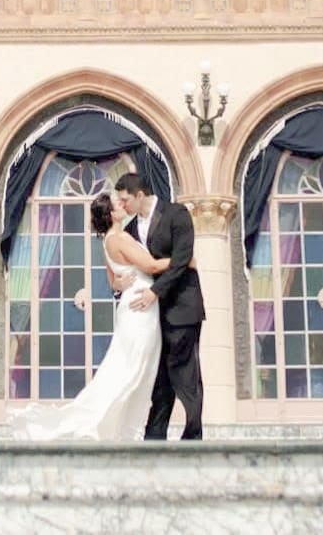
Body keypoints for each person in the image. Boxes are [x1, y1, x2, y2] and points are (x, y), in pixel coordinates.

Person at [9, 186, 171, 441]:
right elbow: (150, 265)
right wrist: (183, 259)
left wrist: (122, 283)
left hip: (135, 304)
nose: (122, 204)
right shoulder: (118, 238)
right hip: (140, 308)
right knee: (132, 368)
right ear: (111, 214)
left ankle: (123, 428)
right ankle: (119, 428)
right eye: (117, 204)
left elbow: (114, 283)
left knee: (132, 366)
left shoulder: (108, 241)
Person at [115, 169, 205, 441]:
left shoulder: (177, 214)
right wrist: (121, 286)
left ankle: (193, 436)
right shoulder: (130, 230)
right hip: (150, 316)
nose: (122, 206)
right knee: (158, 378)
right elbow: (132, 266)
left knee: (184, 373)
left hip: (182, 307)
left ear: (139, 195)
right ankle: (154, 438)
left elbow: (182, 260)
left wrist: (155, 291)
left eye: (125, 200)